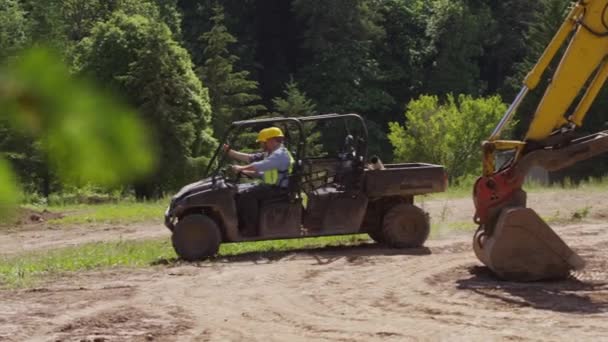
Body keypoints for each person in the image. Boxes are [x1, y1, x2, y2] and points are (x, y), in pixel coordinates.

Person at [223, 127, 294, 234]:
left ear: (271, 140)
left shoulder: (280, 155)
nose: (261, 145)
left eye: (263, 142)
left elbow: (260, 166)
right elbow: (251, 159)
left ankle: (251, 229)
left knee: (247, 195)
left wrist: (241, 168)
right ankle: (240, 225)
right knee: (238, 190)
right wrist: (231, 153)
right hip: (272, 186)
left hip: (279, 189)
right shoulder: (271, 153)